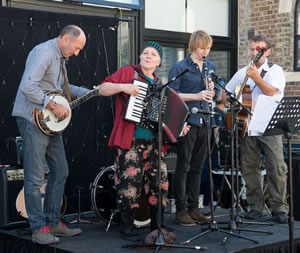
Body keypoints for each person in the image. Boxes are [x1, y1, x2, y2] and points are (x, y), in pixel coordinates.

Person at [12, 25, 93, 244]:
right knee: (35, 176)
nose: (76, 53)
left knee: (61, 170)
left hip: (48, 123)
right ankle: (38, 229)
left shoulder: (60, 58)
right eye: (76, 48)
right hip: (31, 119)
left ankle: (54, 222)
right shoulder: (44, 53)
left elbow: (60, 88)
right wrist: (51, 105)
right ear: (66, 39)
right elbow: (27, 85)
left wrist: (91, 92)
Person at [99, 41, 181, 241]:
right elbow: (103, 88)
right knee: (129, 183)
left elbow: (166, 117)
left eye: (153, 54)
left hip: (154, 143)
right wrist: (124, 87)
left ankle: (157, 224)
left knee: (160, 183)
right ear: (140, 57)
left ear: (159, 62)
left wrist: (179, 127)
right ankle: (126, 224)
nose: (148, 56)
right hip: (132, 141)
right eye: (145, 52)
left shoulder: (160, 86)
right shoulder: (129, 73)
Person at [225, 34, 289, 223]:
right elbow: (227, 95)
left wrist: (255, 77)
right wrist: (231, 100)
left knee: (276, 166)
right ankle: (255, 207)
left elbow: (271, 92)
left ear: (267, 51)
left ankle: (279, 207)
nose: (255, 53)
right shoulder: (242, 71)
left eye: (259, 49)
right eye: (252, 49)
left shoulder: (275, 71)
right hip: (247, 124)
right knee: (249, 167)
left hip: (269, 124)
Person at [168, 30, 219, 226]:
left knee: (198, 168)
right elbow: (172, 95)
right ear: (193, 46)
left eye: (208, 48)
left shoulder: (210, 67)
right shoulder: (180, 67)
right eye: (202, 48)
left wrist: (211, 92)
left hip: (205, 121)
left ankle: (193, 208)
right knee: (183, 167)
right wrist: (196, 96)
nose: (205, 51)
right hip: (187, 122)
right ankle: (181, 210)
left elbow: (212, 95)